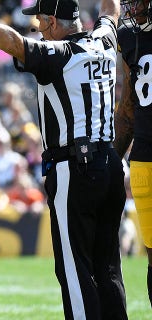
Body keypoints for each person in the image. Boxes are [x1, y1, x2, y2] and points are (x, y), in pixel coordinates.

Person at [0, 0, 126, 318]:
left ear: (51, 21)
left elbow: (12, 41)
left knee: (74, 269)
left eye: (39, 20)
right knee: (108, 267)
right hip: (110, 163)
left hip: (74, 167)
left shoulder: (60, 55)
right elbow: (111, 11)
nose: (36, 26)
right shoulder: (104, 39)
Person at [114, 0, 152, 307]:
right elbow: (127, 108)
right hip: (143, 159)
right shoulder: (129, 38)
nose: (134, 8)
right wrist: (112, 160)